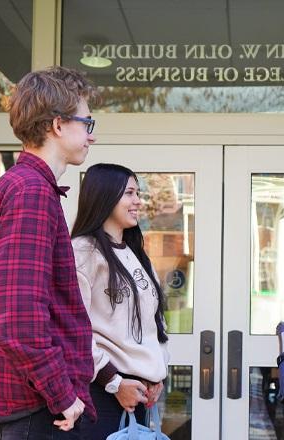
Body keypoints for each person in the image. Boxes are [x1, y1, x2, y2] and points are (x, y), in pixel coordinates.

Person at [0, 66, 98, 438]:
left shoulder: (26, 187)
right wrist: (63, 395)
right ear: (58, 125)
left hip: (38, 405)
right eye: (87, 123)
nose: (91, 136)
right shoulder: (30, 191)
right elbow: (18, 319)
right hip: (40, 410)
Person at [70, 164, 169, 439]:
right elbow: (74, 328)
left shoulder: (135, 252)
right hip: (103, 394)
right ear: (105, 196)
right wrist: (113, 382)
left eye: (138, 193)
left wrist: (156, 373)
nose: (138, 201)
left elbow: (155, 322)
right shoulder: (83, 250)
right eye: (129, 193)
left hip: (138, 395)